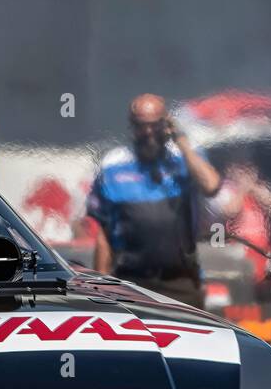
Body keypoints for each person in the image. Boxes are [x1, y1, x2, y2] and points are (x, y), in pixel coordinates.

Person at [87, 94, 222, 306]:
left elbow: (212, 186)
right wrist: (101, 285)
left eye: (154, 125)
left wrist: (181, 139)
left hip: (181, 281)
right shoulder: (112, 165)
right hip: (130, 281)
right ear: (132, 127)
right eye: (142, 126)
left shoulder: (184, 157)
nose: (148, 133)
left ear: (165, 124)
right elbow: (104, 234)